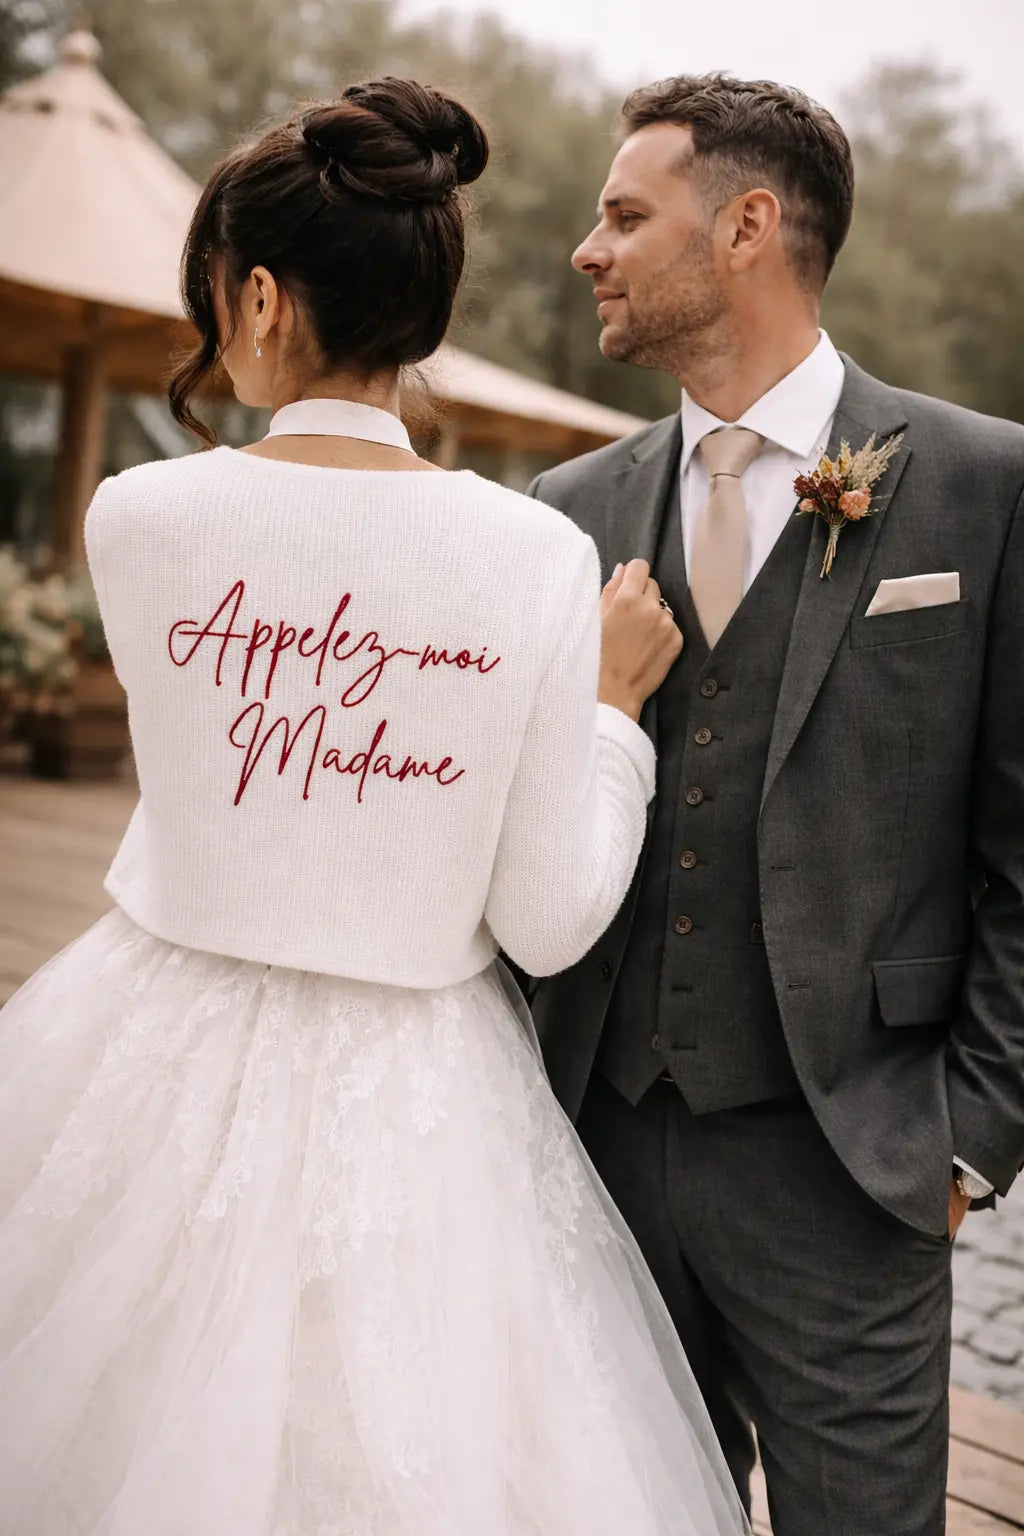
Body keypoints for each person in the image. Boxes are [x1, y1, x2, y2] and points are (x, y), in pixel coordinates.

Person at [0, 78, 749, 1536]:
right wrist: (612, 715)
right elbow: (549, 922)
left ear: (259, 298)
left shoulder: (137, 518)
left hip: (144, 1049)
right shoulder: (531, 557)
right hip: (416, 1101)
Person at [524, 72, 1024, 1536]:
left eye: (626, 215)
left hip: (853, 1170)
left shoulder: (987, 486)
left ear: (746, 227)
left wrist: (967, 1145)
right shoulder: (567, 509)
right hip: (597, 1151)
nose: (589, 249)